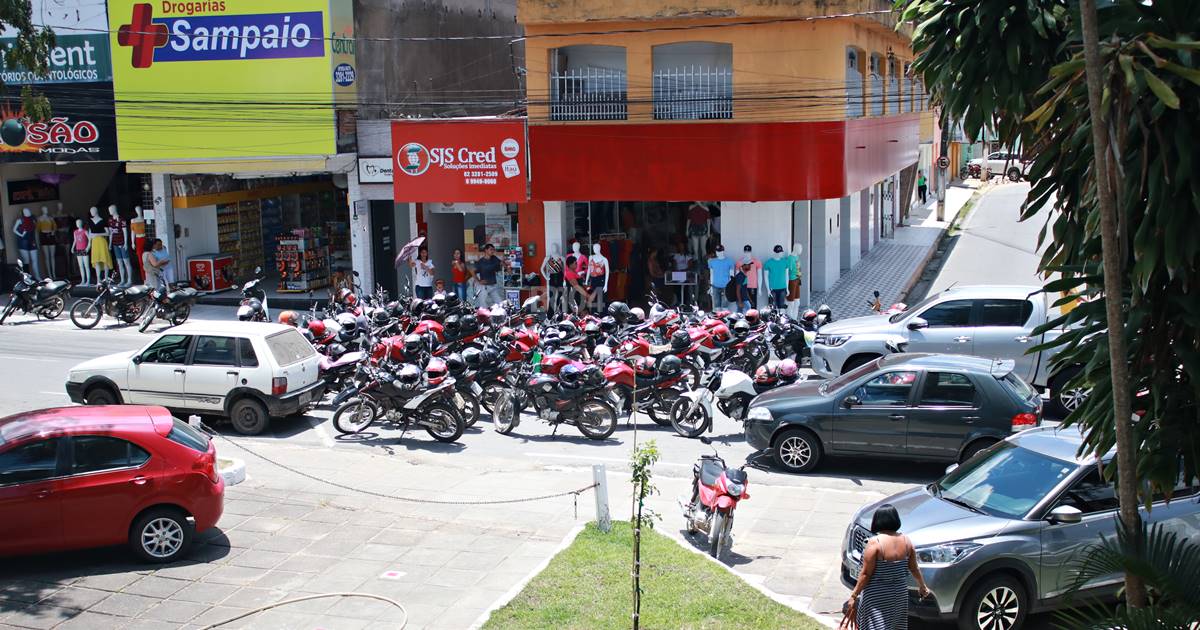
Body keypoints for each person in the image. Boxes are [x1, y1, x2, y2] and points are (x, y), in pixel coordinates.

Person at [843, 504, 930, 630]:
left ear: (877, 520)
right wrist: (922, 586)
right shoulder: (906, 541)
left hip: (877, 595)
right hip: (899, 594)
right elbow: (914, 568)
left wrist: (853, 595)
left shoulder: (874, 543)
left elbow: (866, 574)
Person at [474, 243, 505, 307]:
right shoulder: (481, 261)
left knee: (500, 303)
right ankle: (483, 316)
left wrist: (506, 265)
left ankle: (501, 315)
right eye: (491, 249)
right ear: (486, 250)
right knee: (483, 305)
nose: (492, 251)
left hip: (492, 285)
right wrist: (479, 281)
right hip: (483, 287)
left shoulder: (494, 258)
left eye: (493, 250)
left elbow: (501, 263)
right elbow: (472, 271)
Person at [707, 245, 733, 310]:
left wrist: (731, 287)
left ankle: (725, 319)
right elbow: (711, 274)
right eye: (718, 251)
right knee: (717, 307)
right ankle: (718, 320)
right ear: (716, 252)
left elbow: (731, 276)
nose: (719, 253)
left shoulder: (729, 261)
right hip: (715, 286)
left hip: (726, 286)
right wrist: (711, 287)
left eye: (720, 251)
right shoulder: (712, 262)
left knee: (725, 307)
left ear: (723, 251)